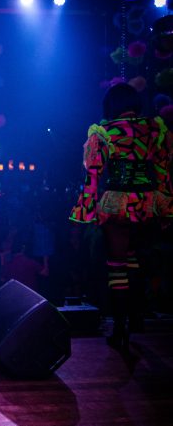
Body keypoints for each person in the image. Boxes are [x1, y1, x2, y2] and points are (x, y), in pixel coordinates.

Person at [70, 83, 172, 354]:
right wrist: (166, 207)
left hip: (118, 204)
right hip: (147, 204)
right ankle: (138, 318)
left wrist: (84, 213)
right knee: (134, 258)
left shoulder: (104, 133)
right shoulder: (155, 129)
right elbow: (163, 171)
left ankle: (119, 329)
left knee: (117, 266)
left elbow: (91, 178)